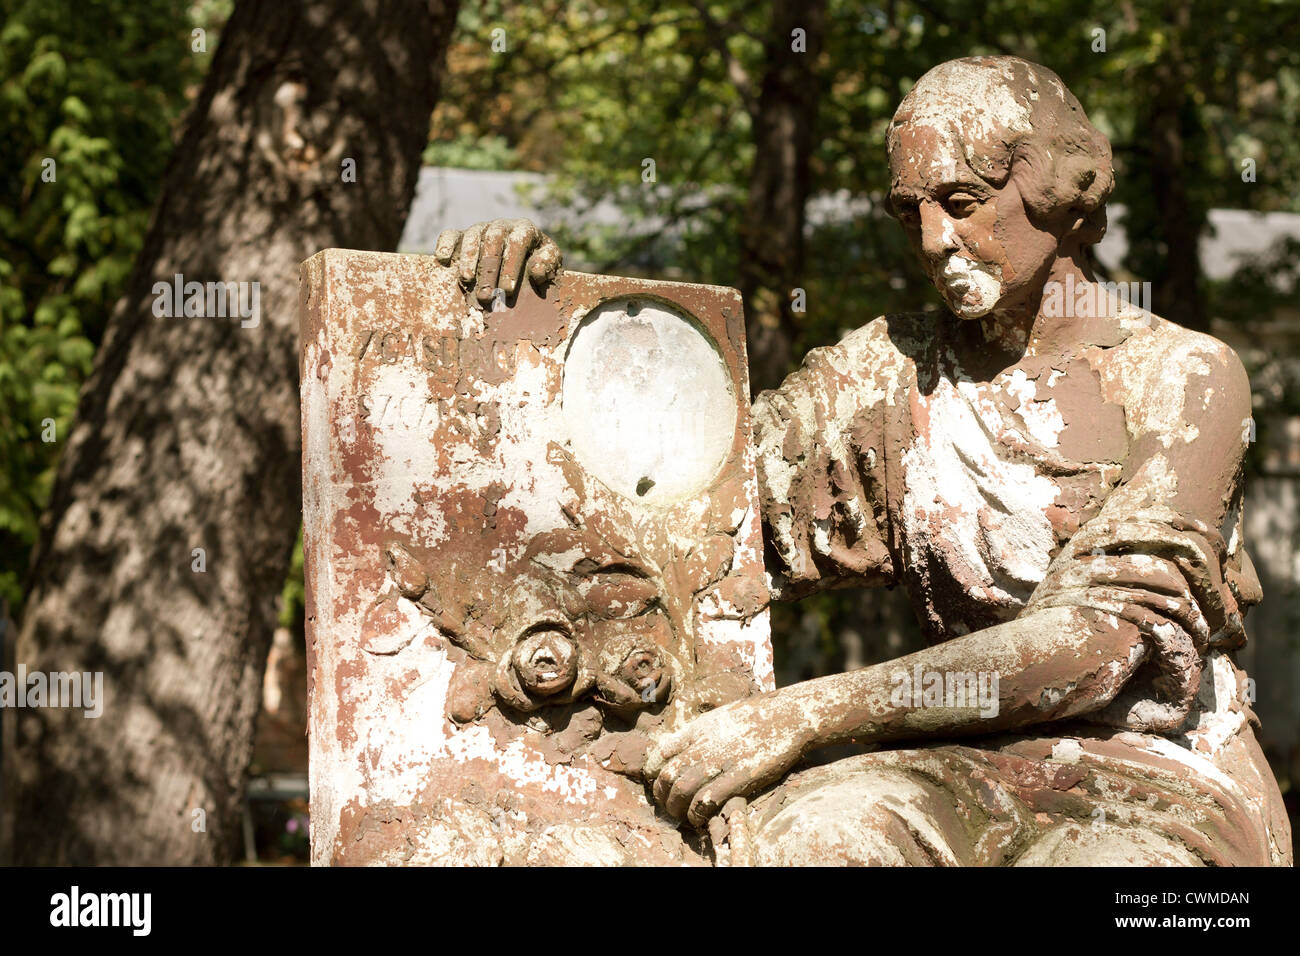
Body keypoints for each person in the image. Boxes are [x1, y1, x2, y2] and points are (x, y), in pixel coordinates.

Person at [434, 56, 1291, 866]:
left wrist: (810, 714)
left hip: (1156, 768)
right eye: (908, 211)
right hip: (957, 762)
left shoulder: (1183, 376)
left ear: (1059, 190)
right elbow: (686, 492)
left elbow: (1103, 645)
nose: (932, 239)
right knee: (819, 838)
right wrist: (527, 320)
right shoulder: (893, 369)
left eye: (961, 199)